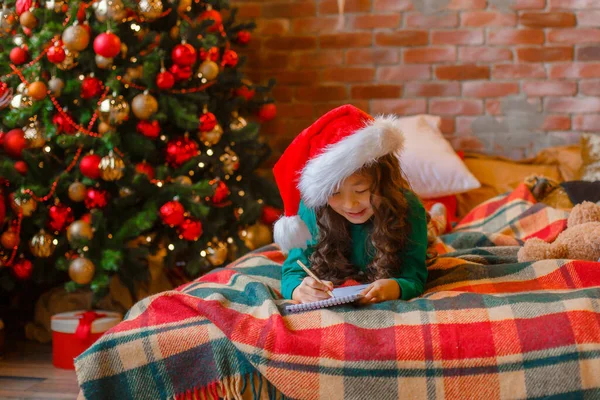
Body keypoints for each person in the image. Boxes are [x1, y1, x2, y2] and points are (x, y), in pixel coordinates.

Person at [273, 105, 428, 305]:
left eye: (361, 190)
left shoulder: (409, 207)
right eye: (335, 194)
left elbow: (413, 275)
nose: (350, 204)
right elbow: (293, 270)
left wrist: (396, 287)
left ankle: (439, 219)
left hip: (414, 222)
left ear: (384, 183)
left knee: (432, 233)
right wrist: (298, 290)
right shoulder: (312, 209)